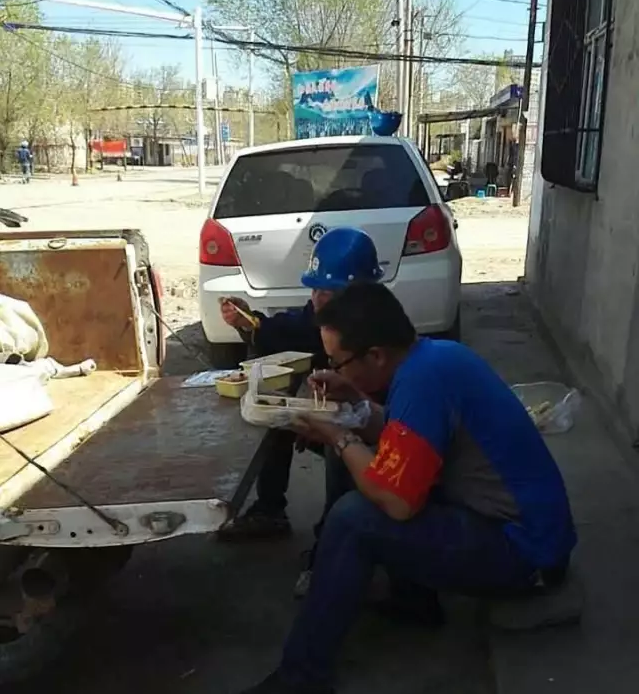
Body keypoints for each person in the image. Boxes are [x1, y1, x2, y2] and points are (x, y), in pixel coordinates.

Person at [239, 283, 577, 694]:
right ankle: (414, 599)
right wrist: (354, 403)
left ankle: (301, 678)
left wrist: (338, 438)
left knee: (353, 517)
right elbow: (405, 435)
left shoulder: (423, 381)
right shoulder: (433, 358)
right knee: (378, 466)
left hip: (524, 553)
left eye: (337, 362)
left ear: (376, 355)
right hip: (529, 536)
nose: (332, 370)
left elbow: (398, 503)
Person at [217, 227, 384, 546]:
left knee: (341, 451)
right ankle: (270, 509)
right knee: (278, 409)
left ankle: (334, 539)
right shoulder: (324, 316)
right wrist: (250, 322)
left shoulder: (380, 338)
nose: (317, 299)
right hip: (357, 416)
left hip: (386, 438)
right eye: (315, 289)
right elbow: (292, 329)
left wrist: (333, 430)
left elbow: (380, 418)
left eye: (328, 292)